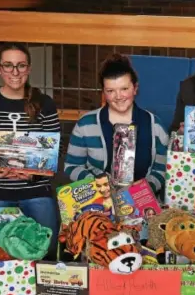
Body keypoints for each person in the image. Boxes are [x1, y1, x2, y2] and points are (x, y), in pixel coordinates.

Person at [0, 42, 61, 259]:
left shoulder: (45, 103)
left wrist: (36, 173)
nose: (15, 72)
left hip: (35, 187)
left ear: (28, 68)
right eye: (8, 65)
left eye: (21, 65)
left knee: (47, 247)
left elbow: (55, 150)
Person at [64, 53, 168, 195]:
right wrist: (96, 184)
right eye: (111, 91)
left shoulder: (155, 126)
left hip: (142, 202)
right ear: (103, 93)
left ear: (135, 88)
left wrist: (145, 188)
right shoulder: (85, 125)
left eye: (124, 89)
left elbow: (162, 170)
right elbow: (72, 166)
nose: (118, 96)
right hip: (99, 200)